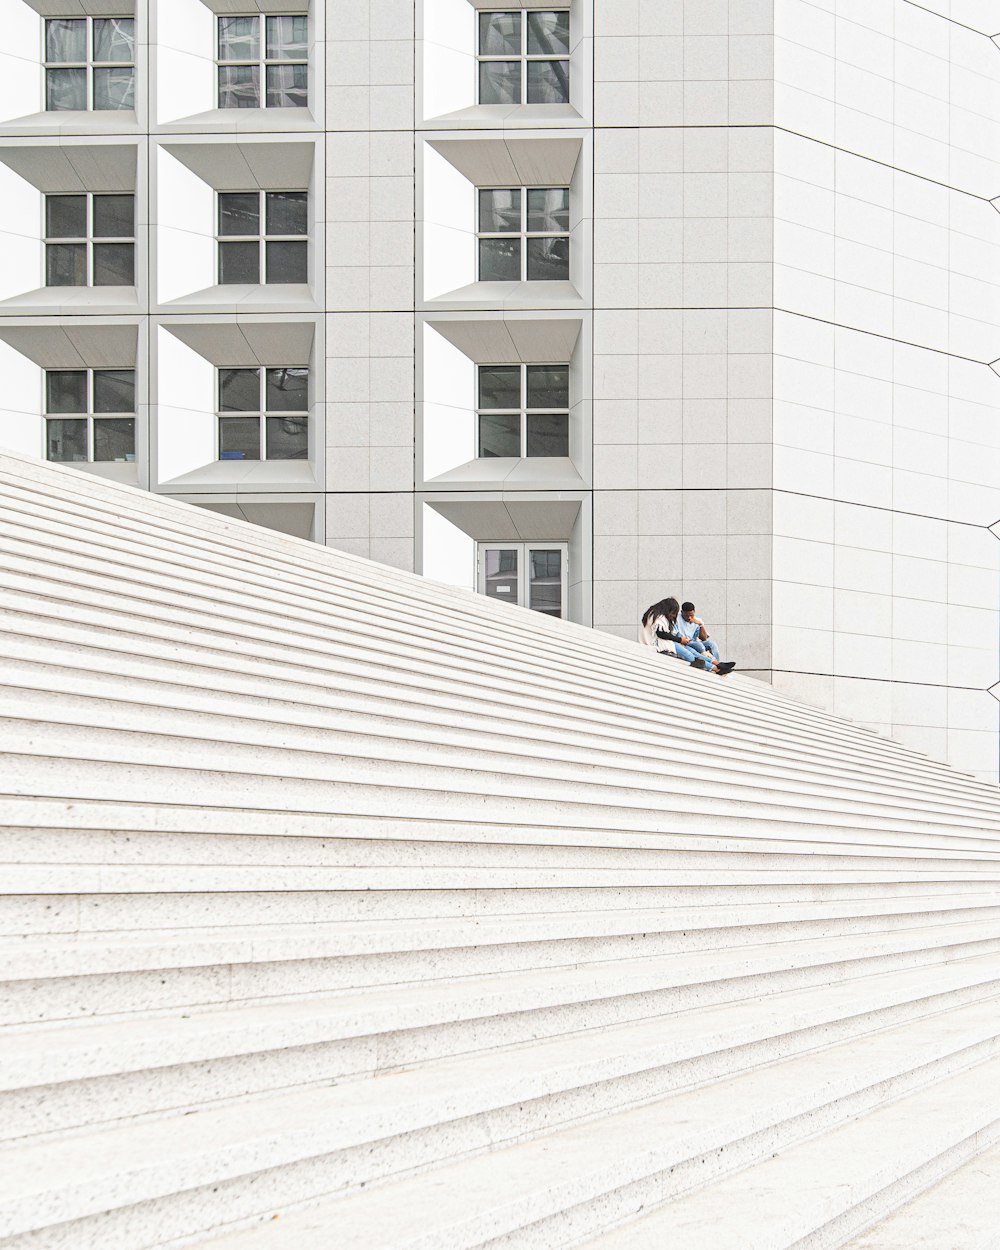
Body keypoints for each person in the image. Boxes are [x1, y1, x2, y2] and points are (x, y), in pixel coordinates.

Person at [641, 597, 735, 674]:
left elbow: (704, 638)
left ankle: (718, 664)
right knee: (689, 654)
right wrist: (680, 640)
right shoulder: (658, 616)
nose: (673, 616)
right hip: (661, 643)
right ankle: (716, 668)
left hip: (670, 642)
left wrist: (699, 624)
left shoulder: (658, 615)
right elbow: (661, 633)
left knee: (694, 651)